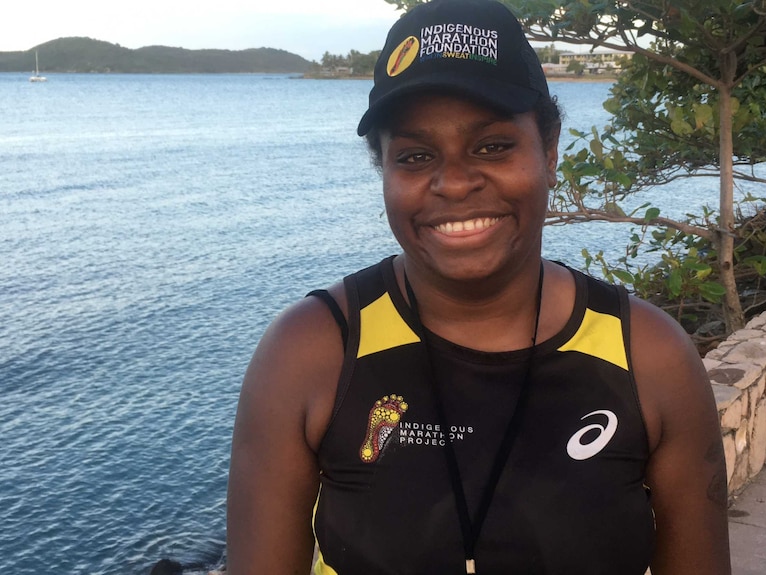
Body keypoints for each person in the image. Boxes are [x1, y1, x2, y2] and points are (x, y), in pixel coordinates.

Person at [226, 0, 731, 573]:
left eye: (492, 146)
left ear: (549, 150)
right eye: (416, 156)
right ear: (384, 172)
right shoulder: (310, 352)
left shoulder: (649, 356)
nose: (454, 183)